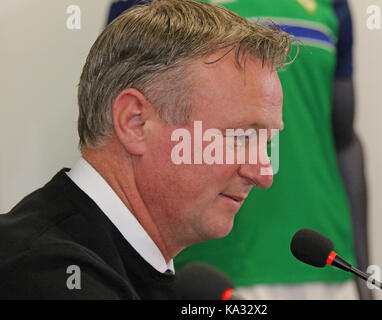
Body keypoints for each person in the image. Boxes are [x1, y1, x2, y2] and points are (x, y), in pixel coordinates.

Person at [0, 0, 292, 299]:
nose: (264, 174)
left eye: (267, 143)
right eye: (241, 137)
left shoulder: (129, 267)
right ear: (134, 122)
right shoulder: (48, 277)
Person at [175, 0, 372, 300]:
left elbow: (344, 142)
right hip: (212, 268)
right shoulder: (152, 8)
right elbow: (126, 127)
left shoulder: (332, 6)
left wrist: (364, 273)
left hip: (323, 258)